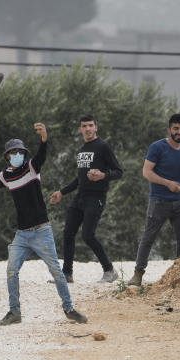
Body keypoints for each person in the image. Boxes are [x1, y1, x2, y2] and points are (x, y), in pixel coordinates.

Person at [0, 123, 88, 326]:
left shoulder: (31, 168)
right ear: (7, 157)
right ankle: (14, 312)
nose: (17, 155)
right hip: (22, 234)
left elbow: (41, 157)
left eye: (20, 152)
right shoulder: (6, 176)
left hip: (41, 230)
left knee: (56, 270)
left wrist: (44, 138)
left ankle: (69, 308)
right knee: (12, 270)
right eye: (13, 153)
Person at [49, 115, 123, 283]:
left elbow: (118, 172)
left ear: (96, 127)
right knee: (68, 233)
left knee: (88, 235)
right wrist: (61, 192)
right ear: (80, 129)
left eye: (91, 125)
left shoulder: (103, 146)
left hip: (96, 197)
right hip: (80, 197)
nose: (88, 128)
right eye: (84, 126)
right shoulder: (82, 149)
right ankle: (67, 274)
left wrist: (102, 175)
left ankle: (109, 271)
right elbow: (79, 179)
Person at [127, 114, 180, 287]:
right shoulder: (157, 147)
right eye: (176, 128)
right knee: (148, 237)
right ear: (169, 130)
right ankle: (138, 274)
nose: (179, 132)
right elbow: (146, 172)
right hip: (159, 201)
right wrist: (168, 184)